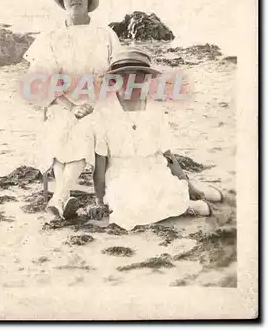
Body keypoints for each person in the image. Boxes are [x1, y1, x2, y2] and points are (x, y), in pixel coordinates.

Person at [90, 47, 222, 231]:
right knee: (128, 207)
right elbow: (100, 161)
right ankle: (184, 206)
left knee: (173, 192)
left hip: (153, 168)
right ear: (115, 80)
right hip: (122, 174)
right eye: (125, 77)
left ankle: (189, 191)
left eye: (139, 77)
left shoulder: (154, 109)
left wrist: (187, 184)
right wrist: (99, 199)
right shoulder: (104, 111)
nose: (132, 83)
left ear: (145, 80)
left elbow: (166, 154)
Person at [24, 0, 120, 219]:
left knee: (87, 128)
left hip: (99, 101)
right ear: (62, 1)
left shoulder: (105, 33)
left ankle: (59, 196)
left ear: (89, 0)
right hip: (63, 101)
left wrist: (94, 103)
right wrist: (71, 105)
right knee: (60, 127)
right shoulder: (52, 36)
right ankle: (61, 196)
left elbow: (116, 74)